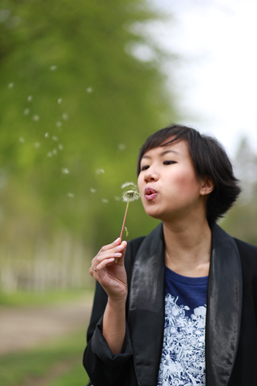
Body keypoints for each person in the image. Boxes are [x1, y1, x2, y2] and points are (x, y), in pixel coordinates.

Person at [83, 124, 257, 386]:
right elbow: (102, 375)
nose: (149, 175)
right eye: (144, 167)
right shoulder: (123, 261)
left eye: (167, 161)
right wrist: (117, 300)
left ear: (206, 183)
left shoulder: (250, 266)